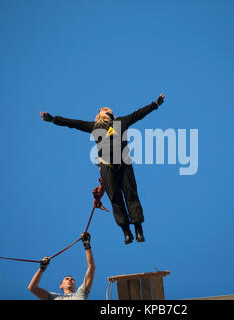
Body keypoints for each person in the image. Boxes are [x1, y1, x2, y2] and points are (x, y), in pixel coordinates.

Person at [40, 94, 165, 245]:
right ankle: (126, 232)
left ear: (112, 114)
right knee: (115, 198)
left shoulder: (120, 122)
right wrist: (54, 119)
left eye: (108, 109)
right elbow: (73, 123)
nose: (105, 109)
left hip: (124, 163)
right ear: (99, 115)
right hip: (107, 165)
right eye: (102, 109)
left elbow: (138, 114)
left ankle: (138, 229)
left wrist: (155, 104)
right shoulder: (95, 127)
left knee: (131, 194)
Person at [27, 232, 95, 300]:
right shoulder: (53, 297)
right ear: (61, 286)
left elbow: (91, 268)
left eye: (72, 280)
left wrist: (87, 245)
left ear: (75, 286)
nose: (70, 280)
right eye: (67, 279)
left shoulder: (82, 292)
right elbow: (32, 288)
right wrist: (41, 268)